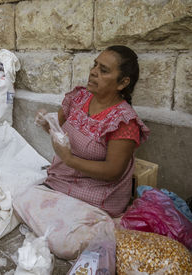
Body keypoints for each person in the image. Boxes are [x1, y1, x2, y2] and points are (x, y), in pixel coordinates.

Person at [13, 45, 150, 259]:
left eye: (104, 70)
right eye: (95, 65)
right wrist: (45, 121)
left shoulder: (124, 121)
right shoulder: (79, 97)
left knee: (66, 244)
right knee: (19, 200)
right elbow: (55, 127)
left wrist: (69, 159)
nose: (94, 72)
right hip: (61, 183)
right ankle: (61, 222)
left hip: (97, 196)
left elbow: (113, 171)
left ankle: (89, 226)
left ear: (123, 83)